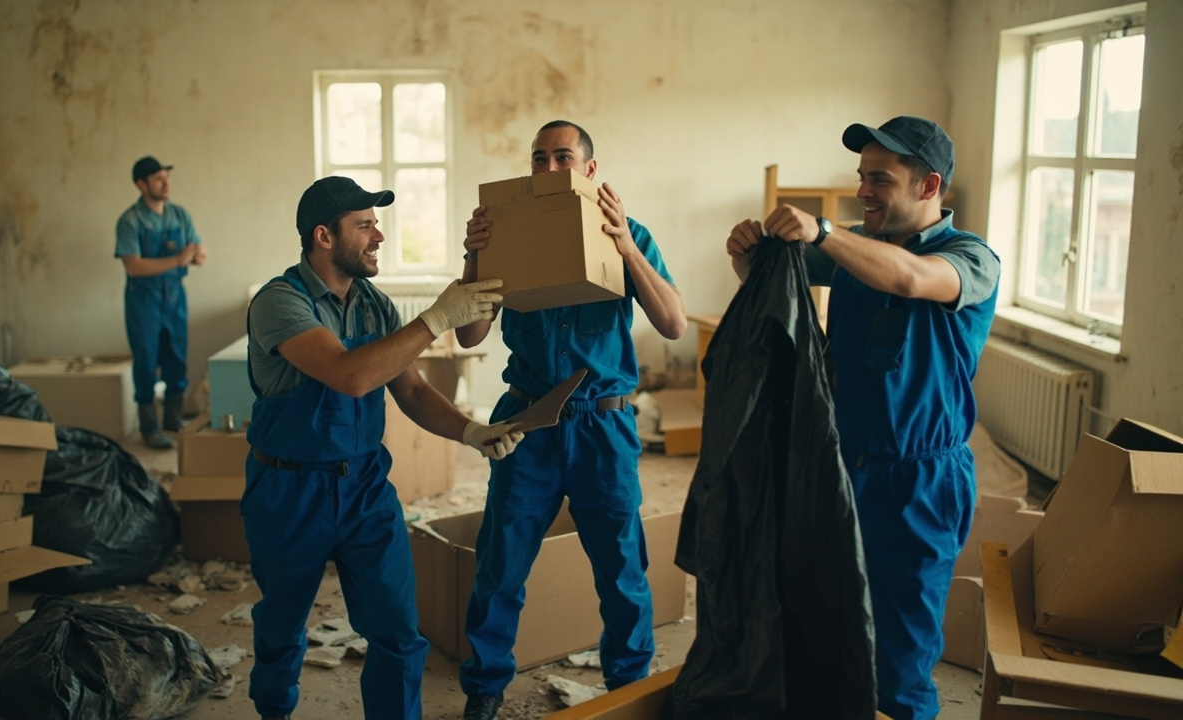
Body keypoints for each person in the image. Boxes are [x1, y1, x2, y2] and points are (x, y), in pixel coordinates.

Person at [726, 116, 1000, 720]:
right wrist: (748, 259)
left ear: (929, 187)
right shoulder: (853, 246)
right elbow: (778, 290)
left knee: (899, 664)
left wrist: (822, 231)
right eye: (861, 176)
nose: (864, 190)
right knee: (826, 635)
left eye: (881, 179)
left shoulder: (971, 258)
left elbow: (909, 278)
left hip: (919, 484)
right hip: (838, 468)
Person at [242, 175, 524, 720]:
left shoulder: (375, 306)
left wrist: (471, 432)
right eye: (365, 225)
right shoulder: (279, 303)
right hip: (288, 491)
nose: (379, 237)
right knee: (281, 630)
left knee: (398, 632)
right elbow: (350, 376)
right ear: (324, 237)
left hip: (366, 488)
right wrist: (437, 318)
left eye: (377, 225)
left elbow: (411, 389)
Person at [455, 120, 689, 720]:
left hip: (602, 424)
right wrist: (475, 255)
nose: (551, 169)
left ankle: (627, 686)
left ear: (588, 170)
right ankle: (484, 689)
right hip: (528, 418)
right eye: (540, 159)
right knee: (500, 558)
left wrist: (627, 247)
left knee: (621, 566)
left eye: (564, 157)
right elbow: (469, 332)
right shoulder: (506, 234)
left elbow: (673, 324)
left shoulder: (626, 233)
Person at [115, 155, 207, 448]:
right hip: (144, 300)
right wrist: (178, 259)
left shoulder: (179, 215)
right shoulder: (130, 221)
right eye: (158, 179)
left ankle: (172, 419)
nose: (166, 183)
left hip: (175, 297)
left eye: (167, 177)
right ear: (141, 184)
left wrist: (196, 255)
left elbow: (199, 252)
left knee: (176, 359)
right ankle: (149, 427)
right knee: (146, 361)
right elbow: (134, 266)